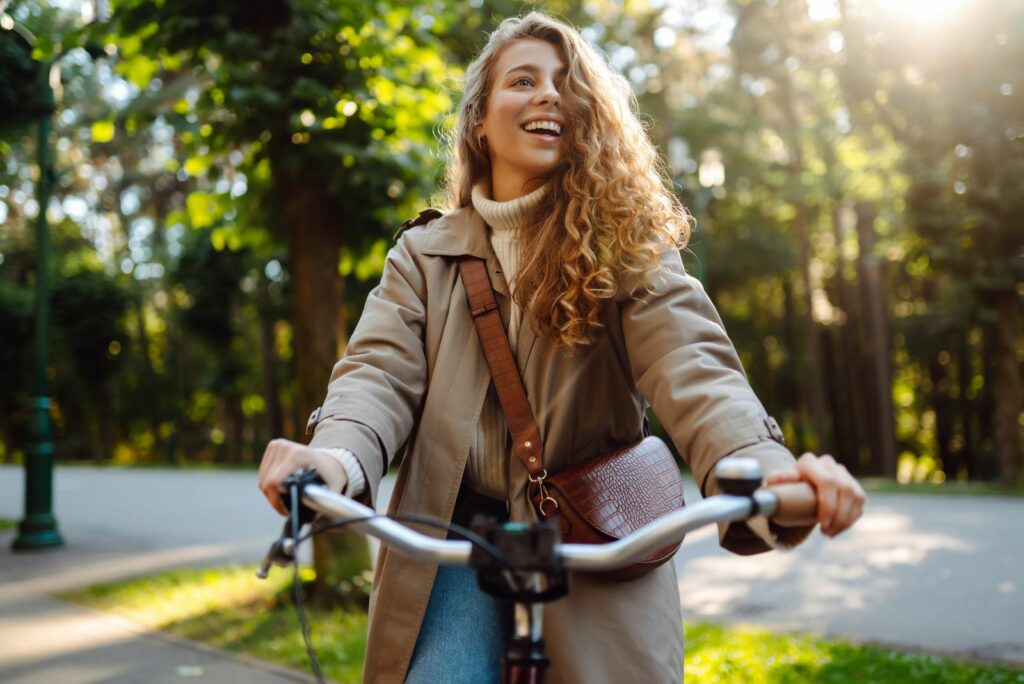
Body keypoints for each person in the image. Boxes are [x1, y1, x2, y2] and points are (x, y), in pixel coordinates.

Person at [258, 11, 865, 684]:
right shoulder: (423, 256)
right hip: (455, 529)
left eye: (566, 83)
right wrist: (334, 457)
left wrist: (760, 464)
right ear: (478, 121)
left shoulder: (627, 244)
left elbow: (691, 362)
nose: (550, 94)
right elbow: (377, 373)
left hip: (597, 528)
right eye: (523, 80)